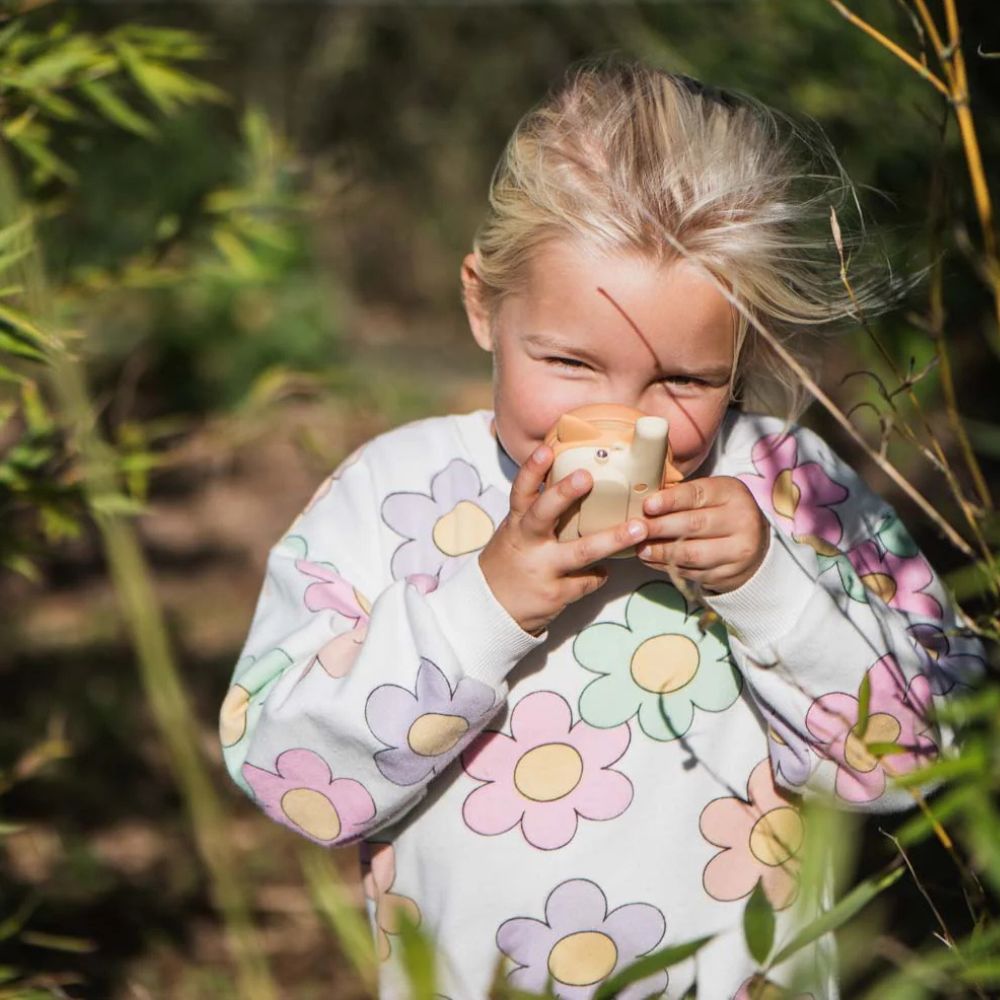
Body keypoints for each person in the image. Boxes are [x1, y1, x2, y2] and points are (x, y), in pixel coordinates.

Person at [218, 58, 985, 999]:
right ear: (482, 305)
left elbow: (915, 761)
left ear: (743, 352)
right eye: (571, 362)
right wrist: (486, 602)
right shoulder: (392, 495)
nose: (630, 421)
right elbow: (296, 778)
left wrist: (768, 585)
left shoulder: (789, 488)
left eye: (685, 380)